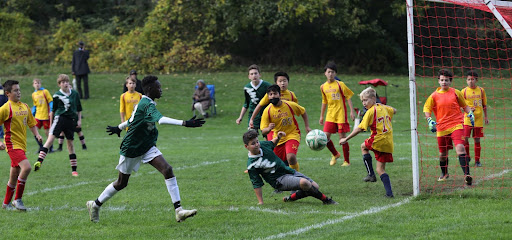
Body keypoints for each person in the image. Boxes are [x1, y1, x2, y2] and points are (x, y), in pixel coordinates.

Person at [86, 75, 205, 223]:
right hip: (132, 148)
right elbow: (160, 120)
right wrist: (186, 123)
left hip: (147, 146)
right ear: (149, 89)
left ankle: (179, 211)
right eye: (158, 87)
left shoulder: (144, 103)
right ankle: (95, 205)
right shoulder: (146, 104)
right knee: (121, 183)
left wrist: (119, 127)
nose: (161, 90)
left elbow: (132, 119)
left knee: (167, 169)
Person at [243, 129, 337, 205]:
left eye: (257, 142)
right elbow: (256, 183)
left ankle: (290, 198)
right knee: (305, 183)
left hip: (287, 170)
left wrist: (278, 137)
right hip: (278, 180)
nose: (257, 145)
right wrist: (261, 202)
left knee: (315, 187)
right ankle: (326, 200)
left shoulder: (262, 145)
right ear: (246, 146)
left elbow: (272, 143)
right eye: (253, 143)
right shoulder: (252, 164)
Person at [340, 87, 396, 197]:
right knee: (380, 169)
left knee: (363, 147)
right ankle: (389, 194)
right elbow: (394, 110)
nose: (364, 103)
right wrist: (383, 105)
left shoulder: (370, 112)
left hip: (377, 140)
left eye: (366, 100)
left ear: (373, 98)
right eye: (362, 101)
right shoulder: (383, 108)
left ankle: (371, 175)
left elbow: (359, 128)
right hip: (388, 142)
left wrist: (345, 139)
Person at [423, 69, 475, 185]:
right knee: (442, 154)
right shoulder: (434, 96)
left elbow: (465, 106)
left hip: (456, 124)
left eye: (446, 80)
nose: (444, 82)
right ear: (438, 81)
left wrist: (470, 113)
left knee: (460, 148)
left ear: (450, 81)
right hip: (441, 127)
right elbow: (427, 109)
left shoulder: (456, 93)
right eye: (442, 80)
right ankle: (444, 173)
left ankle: (467, 175)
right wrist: (429, 120)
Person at [1, 80, 43, 211]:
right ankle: (17, 200)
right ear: (7, 93)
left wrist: (37, 134)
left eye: (19, 90)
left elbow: (31, 123)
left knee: (14, 175)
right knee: (27, 167)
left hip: (22, 145)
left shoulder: (24, 106)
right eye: (15, 90)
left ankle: (6, 203)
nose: (18, 92)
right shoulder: (5, 108)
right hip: (12, 144)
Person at [34, 74, 83, 176]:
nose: (65, 83)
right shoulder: (56, 95)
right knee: (50, 140)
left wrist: (79, 121)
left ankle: (74, 170)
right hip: (60, 119)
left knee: (70, 144)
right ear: (59, 84)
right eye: (63, 82)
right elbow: (53, 110)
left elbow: (78, 109)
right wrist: (51, 123)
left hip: (71, 121)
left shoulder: (74, 94)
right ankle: (39, 162)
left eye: (66, 82)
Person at [260, 84, 311, 171]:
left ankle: (297, 176)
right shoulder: (267, 111)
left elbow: (303, 111)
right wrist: (268, 129)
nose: (273, 96)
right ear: (268, 97)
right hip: (278, 139)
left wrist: (307, 126)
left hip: (292, 134)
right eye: (270, 94)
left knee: (291, 157)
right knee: (280, 164)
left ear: (280, 95)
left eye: (275, 93)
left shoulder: (290, 105)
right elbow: (263, 131)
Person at [319, 62, 355, 167]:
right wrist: (321, 116)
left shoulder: (340, 84)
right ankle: (335, 154)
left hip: (340, 114)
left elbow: (348, 97)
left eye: (333, 72)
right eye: (328, 72)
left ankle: (346, 161)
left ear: (335, 73)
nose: (330, 74)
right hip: (330, 115)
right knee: (325, 137)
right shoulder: (323, 87)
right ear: (325, 73)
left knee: (342, 137)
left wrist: (352, 111)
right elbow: (324, 101)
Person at [249, 71, 298, 136]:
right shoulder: (271, 95)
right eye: (280, 81)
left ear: (288, 82)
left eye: (284, 81)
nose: (282, 83)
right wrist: (252, 119)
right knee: (271, 143)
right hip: (272, 126)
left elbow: (295, 109)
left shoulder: (291, 95)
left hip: (286, 127)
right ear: (276, 83)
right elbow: (259, 105)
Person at [461, 70, 488, 167]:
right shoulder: (463, 91)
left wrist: (486, 117)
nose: (470, 81)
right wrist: (467, 109)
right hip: (467, 118)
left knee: (477, 140)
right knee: (465, 139)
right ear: (466, 80)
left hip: (478, 119)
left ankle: (477, 161)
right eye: (468, 79)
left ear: (476, 80)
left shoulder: (481, 90)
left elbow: (484, 105)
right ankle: (467, 156)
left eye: (472, 79)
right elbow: (460, 105)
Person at [236, 64, 272, 133]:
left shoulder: (267, 86)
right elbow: (246, 103)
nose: (254, 75)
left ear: (259, 75)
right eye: (251, 74)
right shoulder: (247, 87)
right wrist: (240, 117)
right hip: (253, 116)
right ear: (249, 76)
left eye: (255, 73)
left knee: (267, 137)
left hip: (266, 115)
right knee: (251, 137)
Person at [31, 78, 54, 152]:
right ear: (33, 85)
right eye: (35, 83)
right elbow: (35, 105)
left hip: (46, 116)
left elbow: (50, 101)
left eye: (38, 83)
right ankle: (41, 146)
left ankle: (50, 147)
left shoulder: (45, 91)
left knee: (47, 132)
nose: (37, 84)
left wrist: (51, 110)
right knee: (34, 130)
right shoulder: (33, 94)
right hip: (38, 115)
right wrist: (33, 113)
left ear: (40, 84)